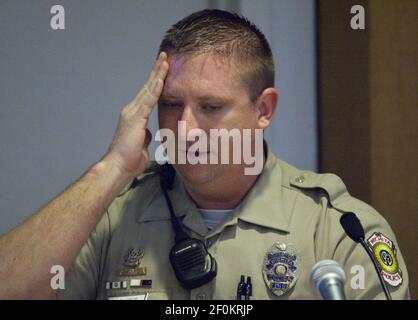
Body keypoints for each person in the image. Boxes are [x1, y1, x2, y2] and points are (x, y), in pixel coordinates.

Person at [0, 9, 410, 300]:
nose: (186, 129)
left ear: (263, 109)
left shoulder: (338, 229)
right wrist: (110, 170)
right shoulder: (112, 216)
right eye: (171, 105)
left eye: (211, 108)